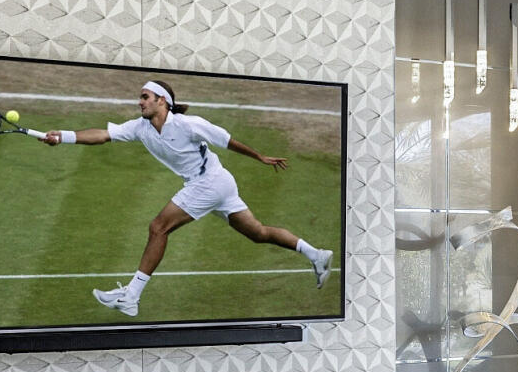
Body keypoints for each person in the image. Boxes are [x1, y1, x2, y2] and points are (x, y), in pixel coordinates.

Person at [29, 79, 333, 316]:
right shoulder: (140, 127)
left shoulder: (188, 124)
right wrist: (64, 136)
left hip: (209, 182)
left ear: (163, 101)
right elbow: (103, 135)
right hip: (217, 183)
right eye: (140, 97)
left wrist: (260, 157)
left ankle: (131, 296)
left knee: (158, 227)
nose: (140, 101)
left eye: (145, 97)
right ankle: (316, 254)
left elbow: (227, 140)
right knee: (258, 233)